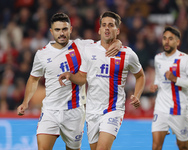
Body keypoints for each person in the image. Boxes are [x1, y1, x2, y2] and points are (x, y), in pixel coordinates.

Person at [17, 12, 122, 150]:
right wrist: (25, 102)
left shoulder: (82, 46)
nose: (61, 33)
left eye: (65, 29)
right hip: (50, 110)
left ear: (71, 29)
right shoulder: (42, 54)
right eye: (57, 30)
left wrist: (118, 42)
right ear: (51, 31)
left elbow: (105, 41)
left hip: (74, 112)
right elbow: (33, 78)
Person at [59, 11, 145, 150]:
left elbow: (140, 76)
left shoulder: (127, 54)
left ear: (117, 30)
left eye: (111, 25)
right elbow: (82, 78)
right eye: (104, 25)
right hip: (92, 110)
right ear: (99, 30)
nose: (107, 28)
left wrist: (137, 94)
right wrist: (71, 75)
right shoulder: (89, 49)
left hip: (113, 108)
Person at [150, 26, 188, 150]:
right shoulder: (158, 58)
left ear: (178, 42)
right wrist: (156, 85)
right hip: (160, 109)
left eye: (170, 39)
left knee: (182, 146)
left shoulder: (186, 59)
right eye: (164, 38)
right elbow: (159, 77)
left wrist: (175, 79)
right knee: (156, 145)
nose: (166, 41)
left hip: (179, 110)